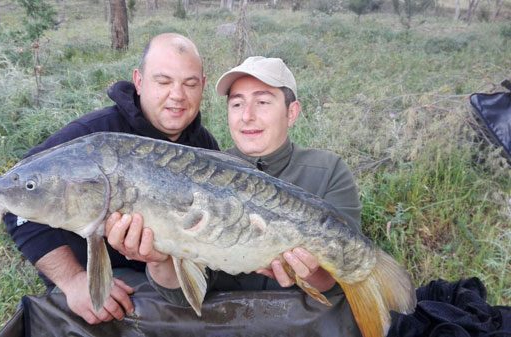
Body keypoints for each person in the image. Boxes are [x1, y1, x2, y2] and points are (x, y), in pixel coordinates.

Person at [106, 56, 363, 336]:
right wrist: (158, 260)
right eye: (237, 103)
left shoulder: (329, 170)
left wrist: (313, 275)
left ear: (292, 112)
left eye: (263, 102)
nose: (247, 115)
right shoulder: (200, 171)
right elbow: (182, 299)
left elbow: (346, 277)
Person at [3, 33, 219, 325]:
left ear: (202, 86)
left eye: (190, 84)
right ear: (139, 81)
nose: (177, 95)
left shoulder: (205, 148)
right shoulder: (91, 137)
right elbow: (15, 205)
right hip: (98, 279)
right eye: (164, 82)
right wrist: (73, 280)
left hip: (165, 277)